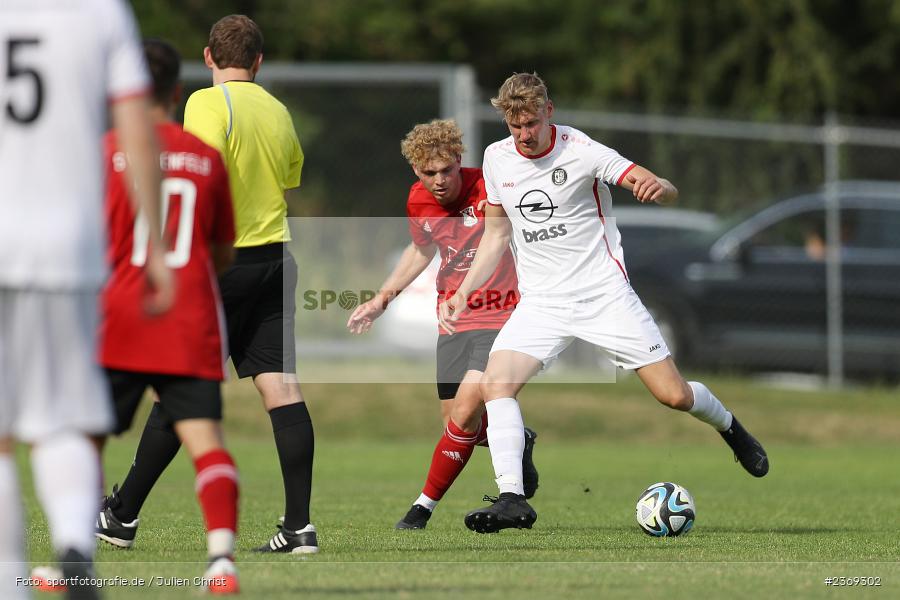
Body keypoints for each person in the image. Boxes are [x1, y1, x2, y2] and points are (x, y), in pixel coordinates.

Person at [439, 73, 769, 534]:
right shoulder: (497, 158)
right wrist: (463, 292)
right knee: (497, 384)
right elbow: (497, 233)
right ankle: (513, 499)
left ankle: (731, 429)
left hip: (604, 295)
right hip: (542, 303)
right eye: (515, 127)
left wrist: (660, 187)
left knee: (673, 395)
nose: (525, 135)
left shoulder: (582, 150)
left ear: (548, 112)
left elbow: (652, 183)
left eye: (532, 123)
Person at [103, 14, 318, 554]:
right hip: (274, 258)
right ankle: (299, 527)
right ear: (259, 61)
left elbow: (195, 174)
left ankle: (122, 515)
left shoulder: (205, 102)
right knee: (283, 388)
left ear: (208, 57)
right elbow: (289, 177)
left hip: (222, 263)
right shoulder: (278, 109)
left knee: (178, 385)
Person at [0, 1, 172, 598]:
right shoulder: (100, 13)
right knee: (64, 416)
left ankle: (10, 581)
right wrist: (154, 244)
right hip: (65, 244)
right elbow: (135, 125)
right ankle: (75, 544)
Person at [93, 39, 240, 594]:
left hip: (122, 312)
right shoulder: (205, 159)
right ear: (177, 91)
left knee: (84, 439)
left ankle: (72, 561)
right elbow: (222, 251)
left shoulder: (106, 152)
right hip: (188, 314)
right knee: (207, 440)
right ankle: (221, 562)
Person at [346, 119, 538, 529]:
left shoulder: (488, 186)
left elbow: (502, 237)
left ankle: (421, 509)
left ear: (458, 160)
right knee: (455, 422)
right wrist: (381, 300)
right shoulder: (418, 200)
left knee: (468, 408)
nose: (438, 180)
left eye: (446, 170)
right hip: (453, 321)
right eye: (427, 173)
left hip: (502, 313)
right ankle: (516, 440)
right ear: (415, 172)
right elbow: (420, 252)